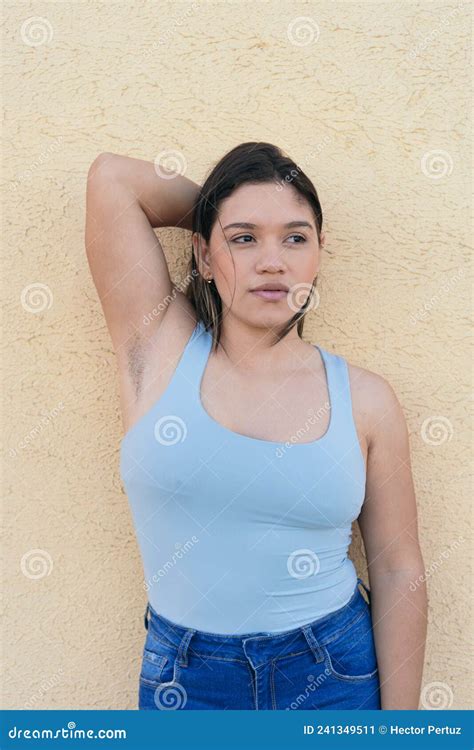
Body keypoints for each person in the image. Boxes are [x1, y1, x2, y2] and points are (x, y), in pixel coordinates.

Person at [85, 141, 427, 710]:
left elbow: (397, 566)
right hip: (186, 683)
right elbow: (112, 180)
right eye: (245, 239)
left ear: (320, 253)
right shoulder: (158, 348)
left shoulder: (366, 399)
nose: (273, 261)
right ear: (201, 255)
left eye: (296, 238)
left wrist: (401, 731)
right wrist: (220, 211)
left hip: (332, 675)